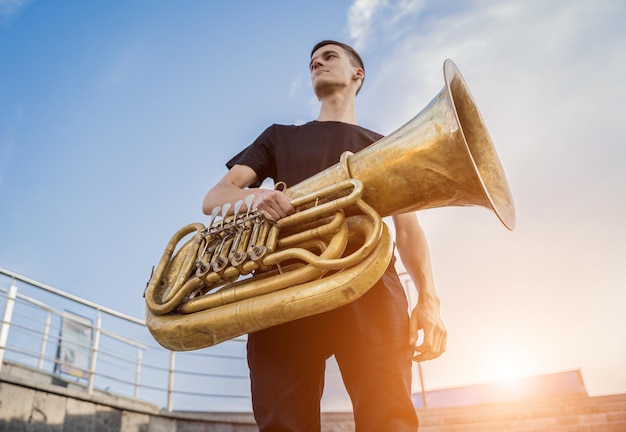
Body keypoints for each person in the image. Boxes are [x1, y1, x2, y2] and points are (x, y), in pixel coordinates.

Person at [202, 40, 447, 431]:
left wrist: (429, 302)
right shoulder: (279, 136)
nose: (317, 62)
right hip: (282, 281)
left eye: (329, 56)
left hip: (370, 284)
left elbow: (409, 229)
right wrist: (257, 196)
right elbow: (215, 198)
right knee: (283, 423)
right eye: (313, 60)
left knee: (390, 420)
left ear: (357, 73)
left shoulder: (386, 146)